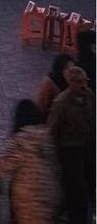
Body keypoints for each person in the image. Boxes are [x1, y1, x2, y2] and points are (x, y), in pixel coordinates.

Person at [0, 99, 60, 224]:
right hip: (50, 195)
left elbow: (2, 165)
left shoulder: (21, 140)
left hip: (29, 202)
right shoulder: (47, 135)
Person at [48, 65, 95, 224]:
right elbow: (53, 130)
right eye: (79, 82)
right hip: (71, 150)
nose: (83, 85)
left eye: (85, 81)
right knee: (77, 189)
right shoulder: (61, 103)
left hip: (88, 146)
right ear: (71, 83)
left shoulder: (89, 95)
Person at [36, 53, 75, 120]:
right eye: (67, 68)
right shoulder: (49, 84)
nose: (71, 72)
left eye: (73, 68)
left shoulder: (74, 83)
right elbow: (42, 108)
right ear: (60, 69)